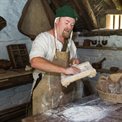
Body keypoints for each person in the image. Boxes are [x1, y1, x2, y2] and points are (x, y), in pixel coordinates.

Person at [29, 5, 83, 115]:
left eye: (72, 24)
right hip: (44, 91)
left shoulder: (70, 43)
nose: (69, 27)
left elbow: (73, 58)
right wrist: (64, 70)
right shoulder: (43, 38)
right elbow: (35, 61)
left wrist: (74, 61)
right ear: (57, 21)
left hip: (63, 91)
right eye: (66, 22)